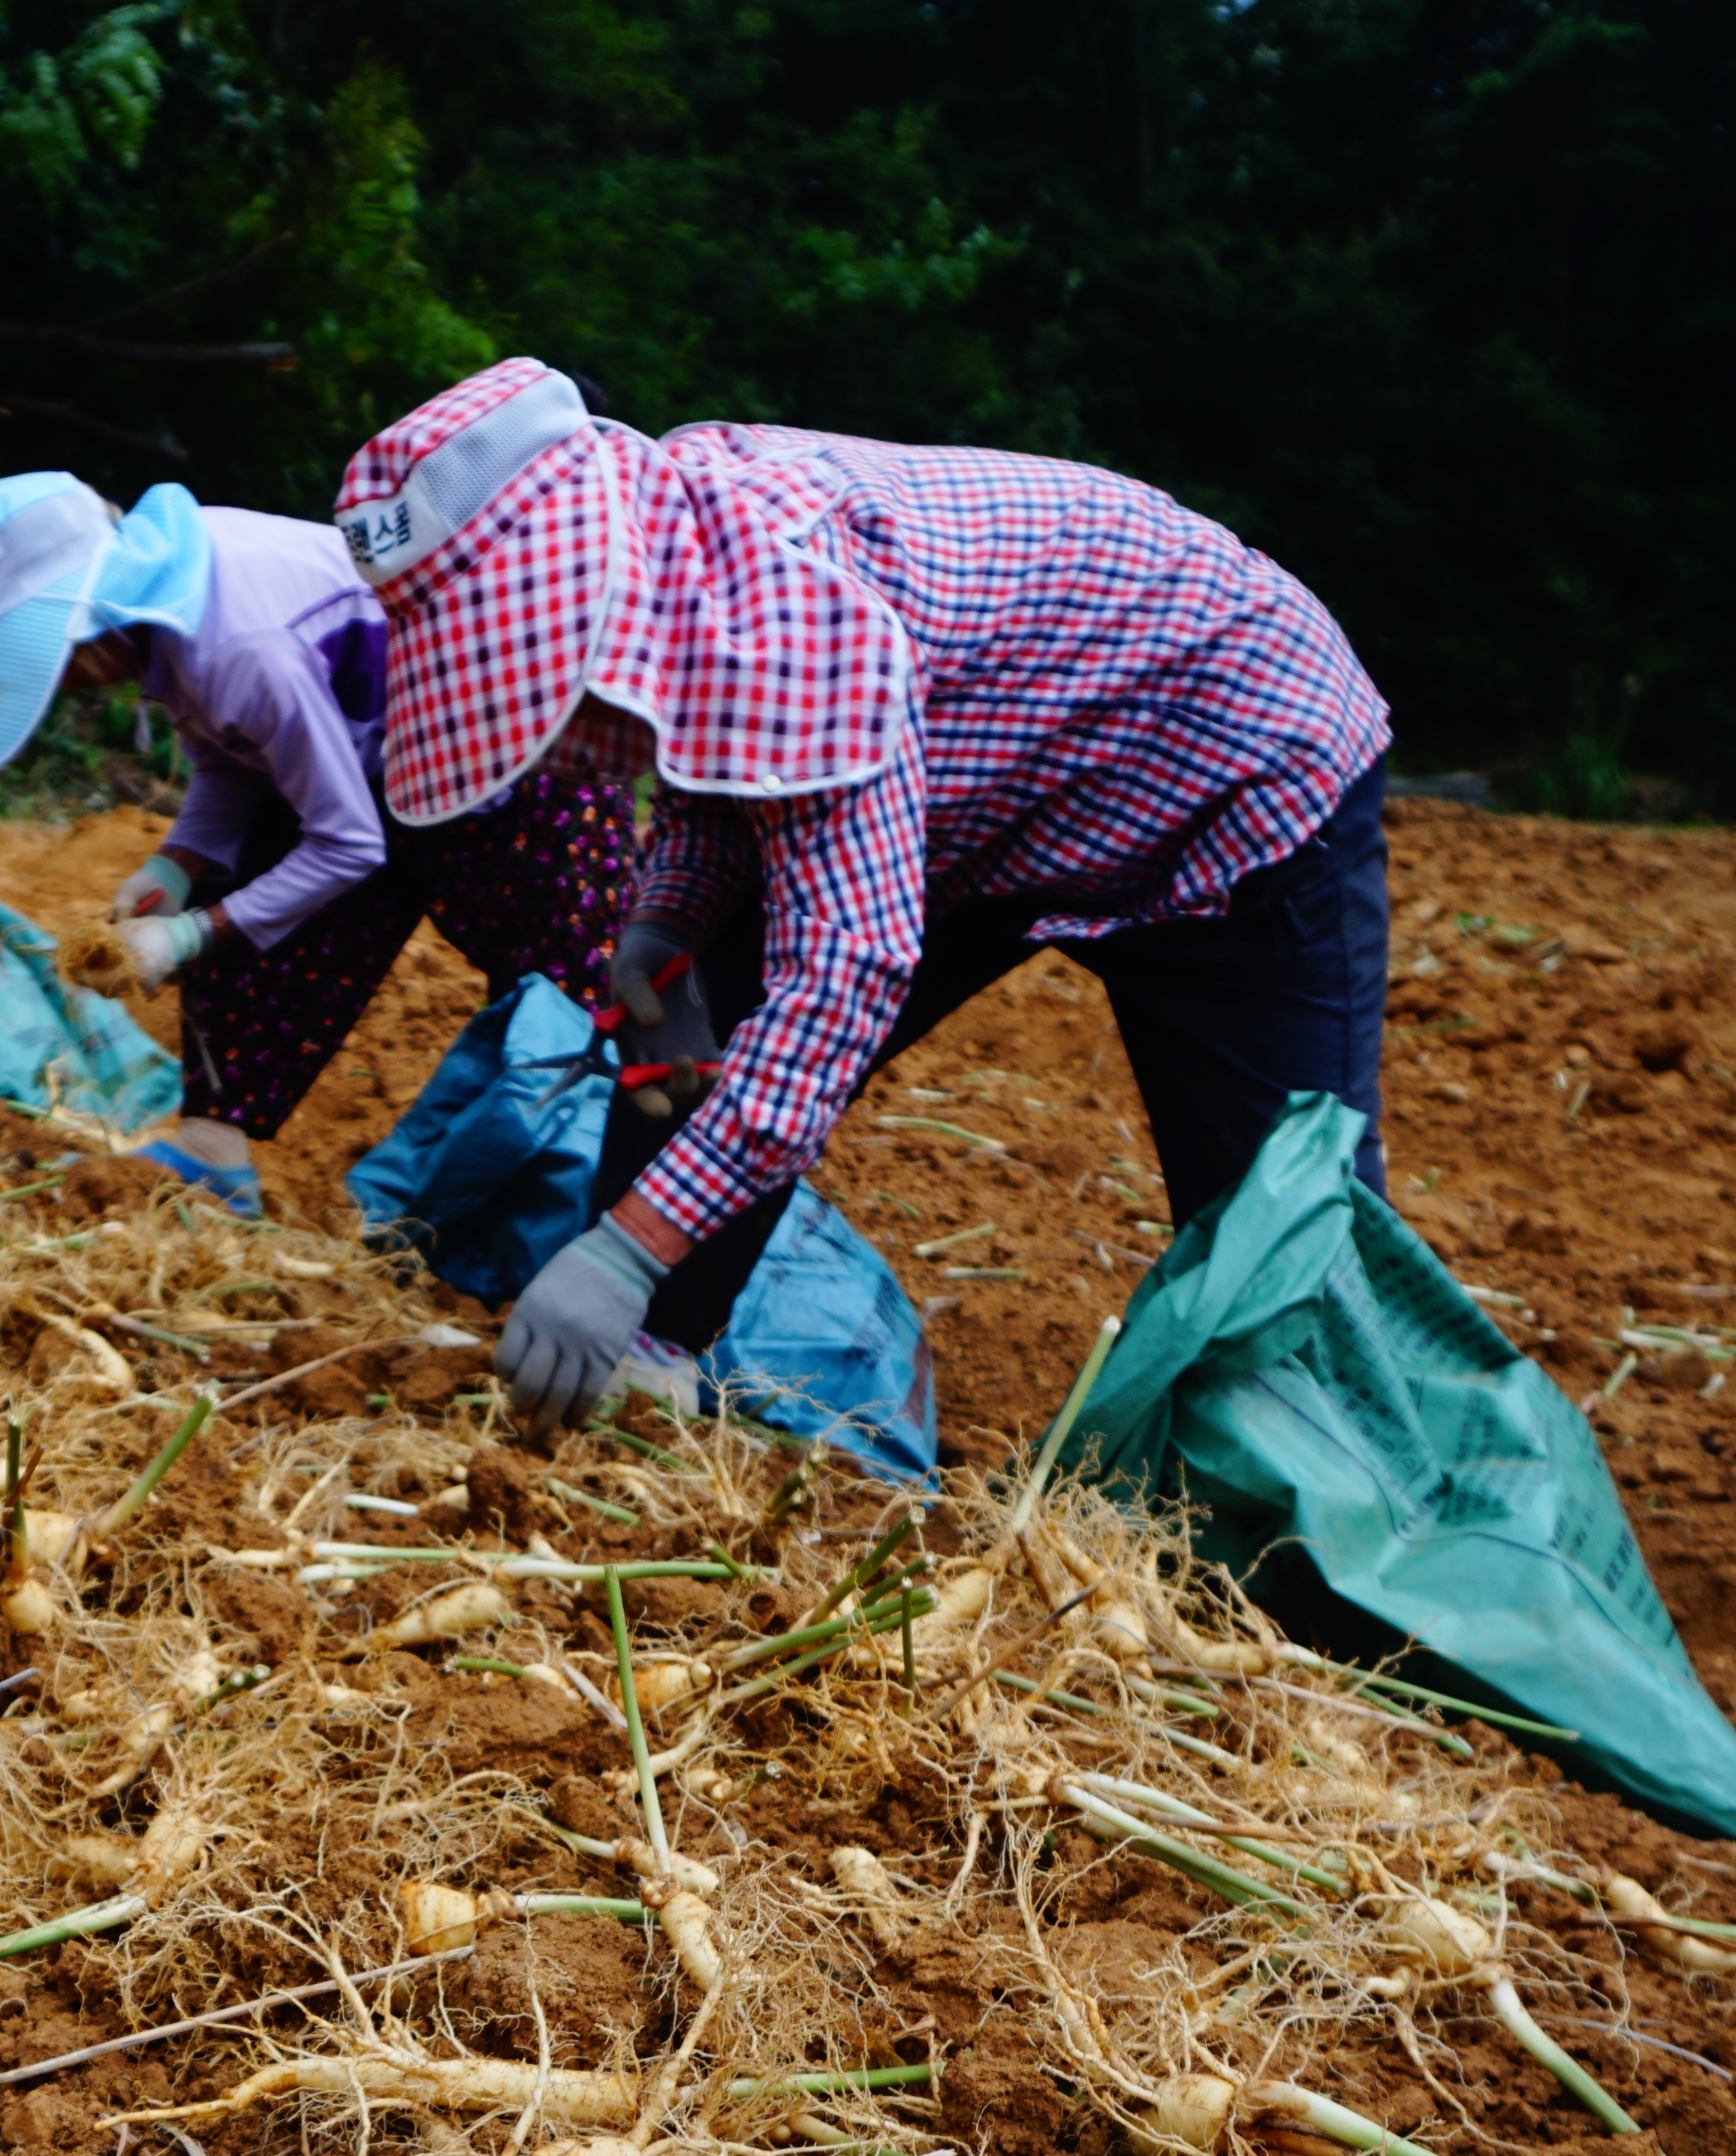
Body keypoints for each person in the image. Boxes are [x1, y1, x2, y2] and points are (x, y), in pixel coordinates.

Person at [330, 358, 1394, 1426]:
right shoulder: (677, 554)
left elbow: (836, 994)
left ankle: (1357, 1488)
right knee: (688, 996)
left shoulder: (791, 606)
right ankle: (648, 1369)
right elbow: (717, 783)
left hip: (1237, 787)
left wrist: (626, 1247)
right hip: (978, 788)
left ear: (581, 583)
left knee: (1282, 1223)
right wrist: (662, 926)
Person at [0, 472, 631, 1215]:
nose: (54, 679)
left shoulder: (240, 648)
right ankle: (210, 1153)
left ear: (86, 619)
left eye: (44, 652)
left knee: (558, 1005)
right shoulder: (172, 607)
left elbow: (347, 846)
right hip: (380, 763)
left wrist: (186, 937)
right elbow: (231, 759)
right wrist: (175, 867)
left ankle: (572, 1217)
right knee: (238, 880)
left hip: (521, 768)